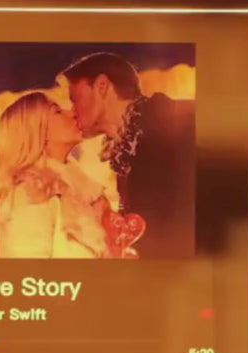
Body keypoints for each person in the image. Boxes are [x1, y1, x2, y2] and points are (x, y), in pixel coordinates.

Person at [62, 52, 196, 258]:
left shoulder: (177, 118)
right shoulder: (126, 151)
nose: (72, 111)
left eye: (74, 99)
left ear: (102, 86)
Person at [0, 92, 112, 259]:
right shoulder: (32, 193)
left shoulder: (82, 191)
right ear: (37, 132)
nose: (72, 112)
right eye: (57, 111)